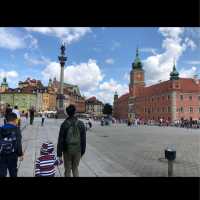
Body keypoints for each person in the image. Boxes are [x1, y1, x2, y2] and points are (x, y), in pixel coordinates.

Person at [57, 105, 86, 177]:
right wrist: (82, 152)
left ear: (67, 113)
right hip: (78, 150)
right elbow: (83, 140)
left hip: (67, 150)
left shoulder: (64, 124)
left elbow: (60, 140)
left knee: (67, 169)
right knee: (75, 168)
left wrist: (59, 154)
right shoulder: (81, 124)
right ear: (75, 112)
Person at [0, 112, 23, 177]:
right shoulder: (16, 129)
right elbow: (18, 143)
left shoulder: (1, 129)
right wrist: (20, 154)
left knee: (2, 172)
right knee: (13, 171)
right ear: (15, 120)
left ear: (6, 120)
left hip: (2, 154)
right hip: (13, 155)